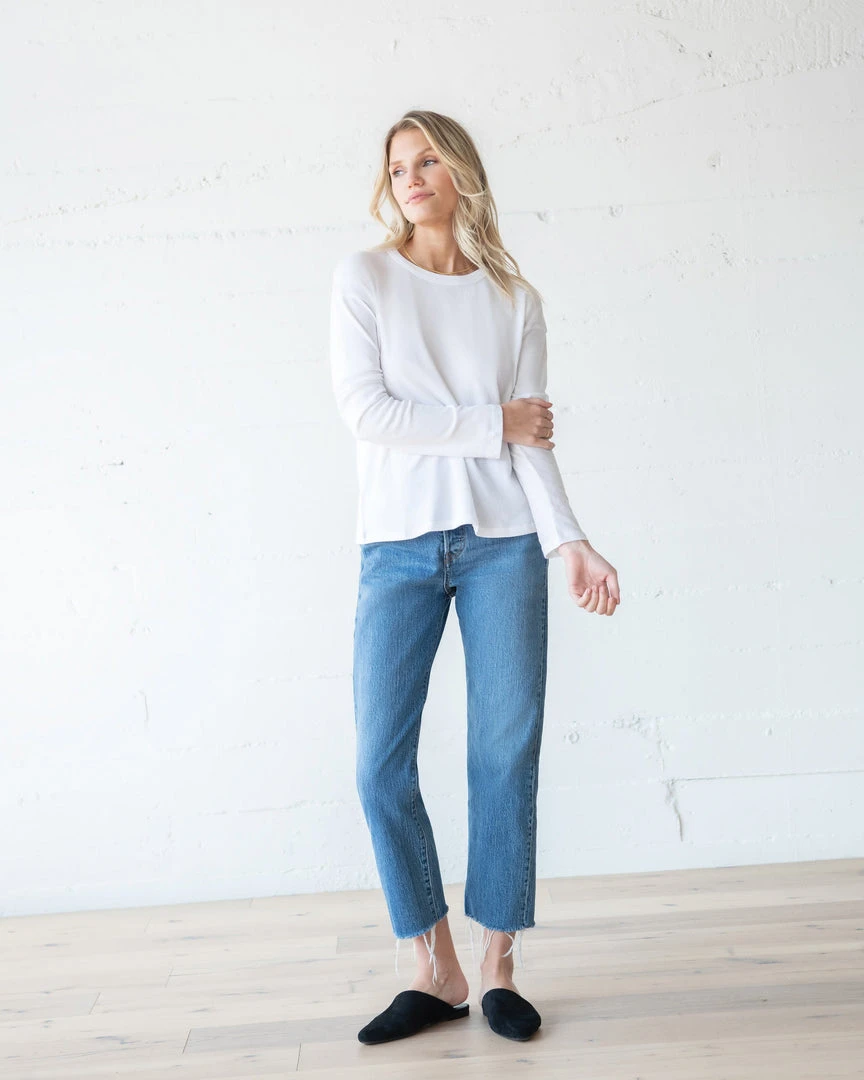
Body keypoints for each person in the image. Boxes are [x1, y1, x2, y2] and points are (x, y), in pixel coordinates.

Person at [329, 110, 621, 1045]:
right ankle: (433, 966)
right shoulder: (366, 278)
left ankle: (497, 966)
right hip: (397, 548)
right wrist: (492, 421)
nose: (411, 178)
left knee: (504, 754)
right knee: (379, 764)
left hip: (504, 546)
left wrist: (570, 541)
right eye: (397, 168)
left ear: (461, 171)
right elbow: (368, 412)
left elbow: (533, 443)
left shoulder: (513, 299)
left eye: (427, 161)